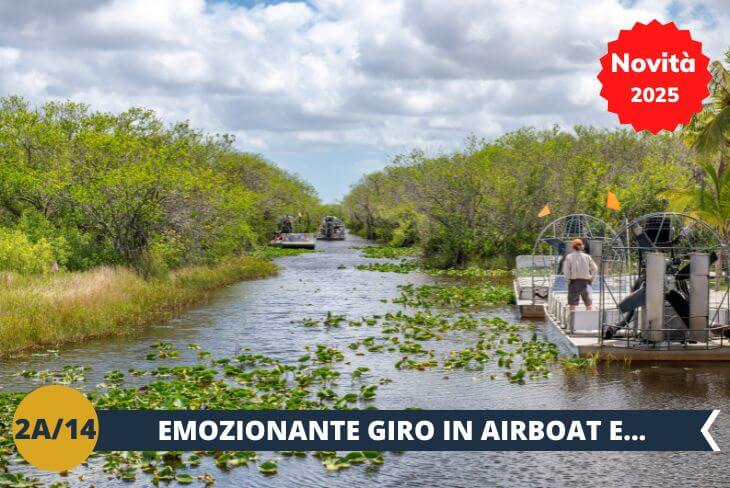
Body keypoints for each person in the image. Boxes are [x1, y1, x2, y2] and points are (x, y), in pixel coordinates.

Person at [563, 238, 598, 311]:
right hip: (585, 282)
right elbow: (595, 268)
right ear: (582, 246)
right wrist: (592, 278)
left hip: (573, 282)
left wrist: (568, 280)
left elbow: (566, 271)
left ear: (573, 247)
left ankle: (571, 320)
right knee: (588, 303)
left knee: (572, 304)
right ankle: (589, 318)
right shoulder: (587, 257)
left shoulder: (569, 257)